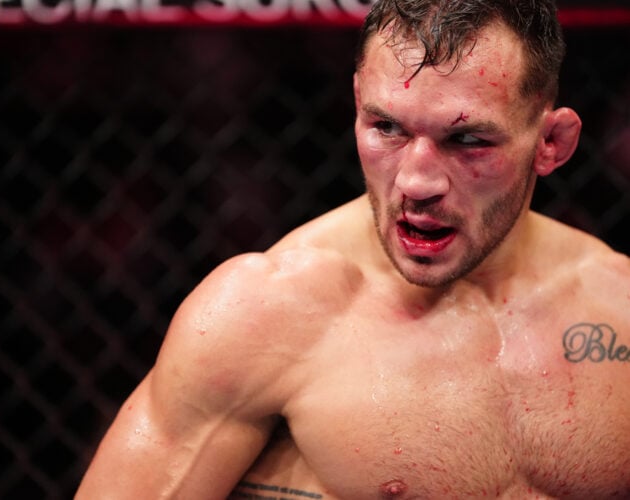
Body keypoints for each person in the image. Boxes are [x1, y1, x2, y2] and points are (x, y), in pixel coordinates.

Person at [76, 0, 630, 498]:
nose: (416, 181)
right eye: (386, 127)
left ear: (552, 143)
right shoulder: (264, 313)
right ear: (357, 104)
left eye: (467, 140)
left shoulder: (618, 305)